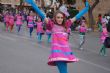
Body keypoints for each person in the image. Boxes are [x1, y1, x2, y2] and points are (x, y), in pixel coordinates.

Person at [25, 0, 90, 73]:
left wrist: (86, 8)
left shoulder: (66, 24)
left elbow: (77, 16)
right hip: (58, 54)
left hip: (65, 54)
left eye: (61, 17)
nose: (60, 19)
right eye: (58, 17)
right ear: (55, 18)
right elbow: (41, 14)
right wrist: (33, 4)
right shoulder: (52, 25)